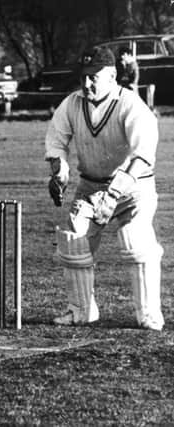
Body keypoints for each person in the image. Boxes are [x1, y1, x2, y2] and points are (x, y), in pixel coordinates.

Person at [45, 46, 164, 331]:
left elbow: (143, 155)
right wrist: (59, 171)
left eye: (93, 77)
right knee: (74, 242)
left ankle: (149, 314)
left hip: (134, 188)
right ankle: (81, 311)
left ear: (112, 76)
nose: (86, 84)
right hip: (90, 186)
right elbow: (56, 143)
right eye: (83, 77)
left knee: (135, 240)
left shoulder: (131, 105)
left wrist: (114, 194)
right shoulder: (72, 104)